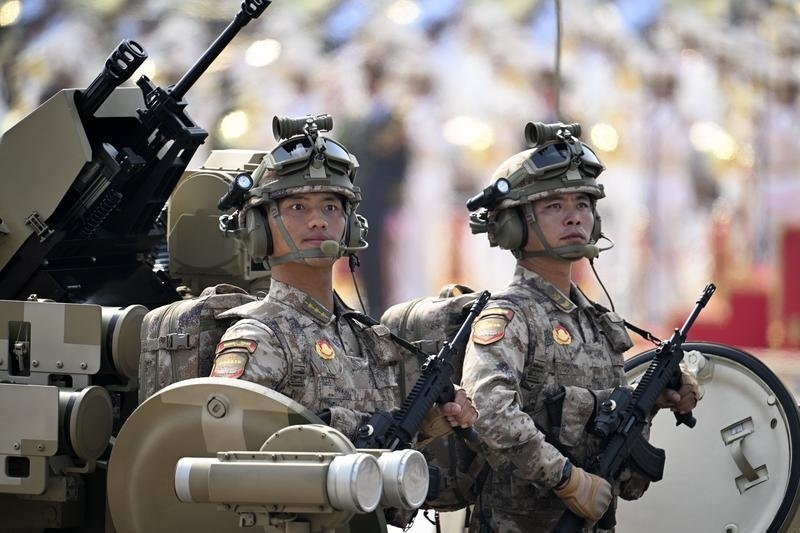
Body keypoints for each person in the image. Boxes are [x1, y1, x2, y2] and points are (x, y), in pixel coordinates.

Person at [460, 121, 701, 532]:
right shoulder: (510, 317)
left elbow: (622, 468)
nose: (574, 217)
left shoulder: (599, 324)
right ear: (515, 225)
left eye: (584, 204)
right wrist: (567, 480)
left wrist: (652, 401)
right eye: (554, 206)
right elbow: (488, 413)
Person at [209, 113, 477, 467]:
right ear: (259, 229)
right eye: (297, 207)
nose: (318, 220)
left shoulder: (366, 338)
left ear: (350, 227)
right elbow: (231, 461)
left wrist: (426, 424)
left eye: (331, 207)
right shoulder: (257, 338)